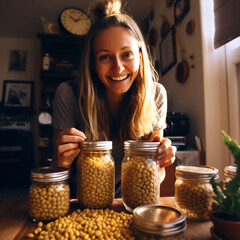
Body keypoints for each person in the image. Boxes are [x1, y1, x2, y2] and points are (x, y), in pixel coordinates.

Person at [52, 0, 176, 198]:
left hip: (132, 193)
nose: (118, 68)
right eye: (105, 57)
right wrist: (62, 163)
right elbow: (57, 176)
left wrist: (160, 163)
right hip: (81, 194)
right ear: (93, 64)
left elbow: (155, 176)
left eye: (126, 54)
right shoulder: (67, 94)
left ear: (140, 56)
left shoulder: (156, 94)